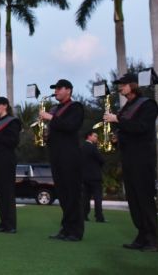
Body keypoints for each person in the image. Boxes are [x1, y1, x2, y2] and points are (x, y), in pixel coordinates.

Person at [104, 72, 158, 252]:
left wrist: (117, 119)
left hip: (143, 159)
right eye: (119, 84)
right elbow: (128, 129)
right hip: (128, 159)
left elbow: (141, 128)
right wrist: (117, 138)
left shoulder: (148, 105)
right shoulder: (127, 106)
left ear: (133, 85)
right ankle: (142, 235)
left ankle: (152, 240)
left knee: (144, 199)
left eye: (123, 84)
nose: (120, 87)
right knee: (133, 200)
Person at [39, 79, 84, 242]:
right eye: (55, 89)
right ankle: (66, 228)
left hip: (70, 156)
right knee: (63, 194)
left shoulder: (75, 107)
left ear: (69, 90)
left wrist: (51, 118)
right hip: (56, 155)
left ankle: (75, 231)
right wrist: (45, 136)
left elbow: (71, 126)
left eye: (59, 88)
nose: (56, 91)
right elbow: (57, 129)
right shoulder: (55, 108)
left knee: (73, 193)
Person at [0, 97, 22, 233]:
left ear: (5, 106)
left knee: (8, 192)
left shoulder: (13, 122)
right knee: (0, 192)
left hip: (7, 159)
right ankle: (3, 223)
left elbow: (12, 141)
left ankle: (11, 225)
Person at [81, 131, 106, 223]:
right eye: (95, 136)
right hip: (95, 176)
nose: (96, 138)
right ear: (89, 136)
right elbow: (101, 159)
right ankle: (99, 217)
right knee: (97, 197)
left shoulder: (81, 147)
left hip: (84, 176)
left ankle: (84, 216)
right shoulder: (93, 147)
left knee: (85, 197)